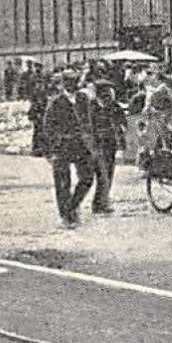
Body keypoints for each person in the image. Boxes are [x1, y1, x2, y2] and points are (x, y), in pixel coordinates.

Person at [43, 71, 96, 228]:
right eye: (69, 81)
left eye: (75, 81)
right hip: (63, 147)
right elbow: (48, 126)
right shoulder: (55, 102)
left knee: (87, 178)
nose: (73, 84)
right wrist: (55, 145)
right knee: (62, 183)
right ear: (62, 84)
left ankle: (72, 206)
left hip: (81, 145)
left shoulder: (83, 99)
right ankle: (65, 216)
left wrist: (91, 139)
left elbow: (89, 120)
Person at [88, 82, 126, 215]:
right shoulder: (91, 108)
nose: (108, 97)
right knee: (102, 175)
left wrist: (122, 140)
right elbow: (88, 127)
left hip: (111, 145)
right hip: (98, 145)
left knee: (108, 173)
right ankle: (100, 203)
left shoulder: (115, 107)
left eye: (110, 94)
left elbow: (122, 124)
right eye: (105, 94)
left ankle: (101, 202)